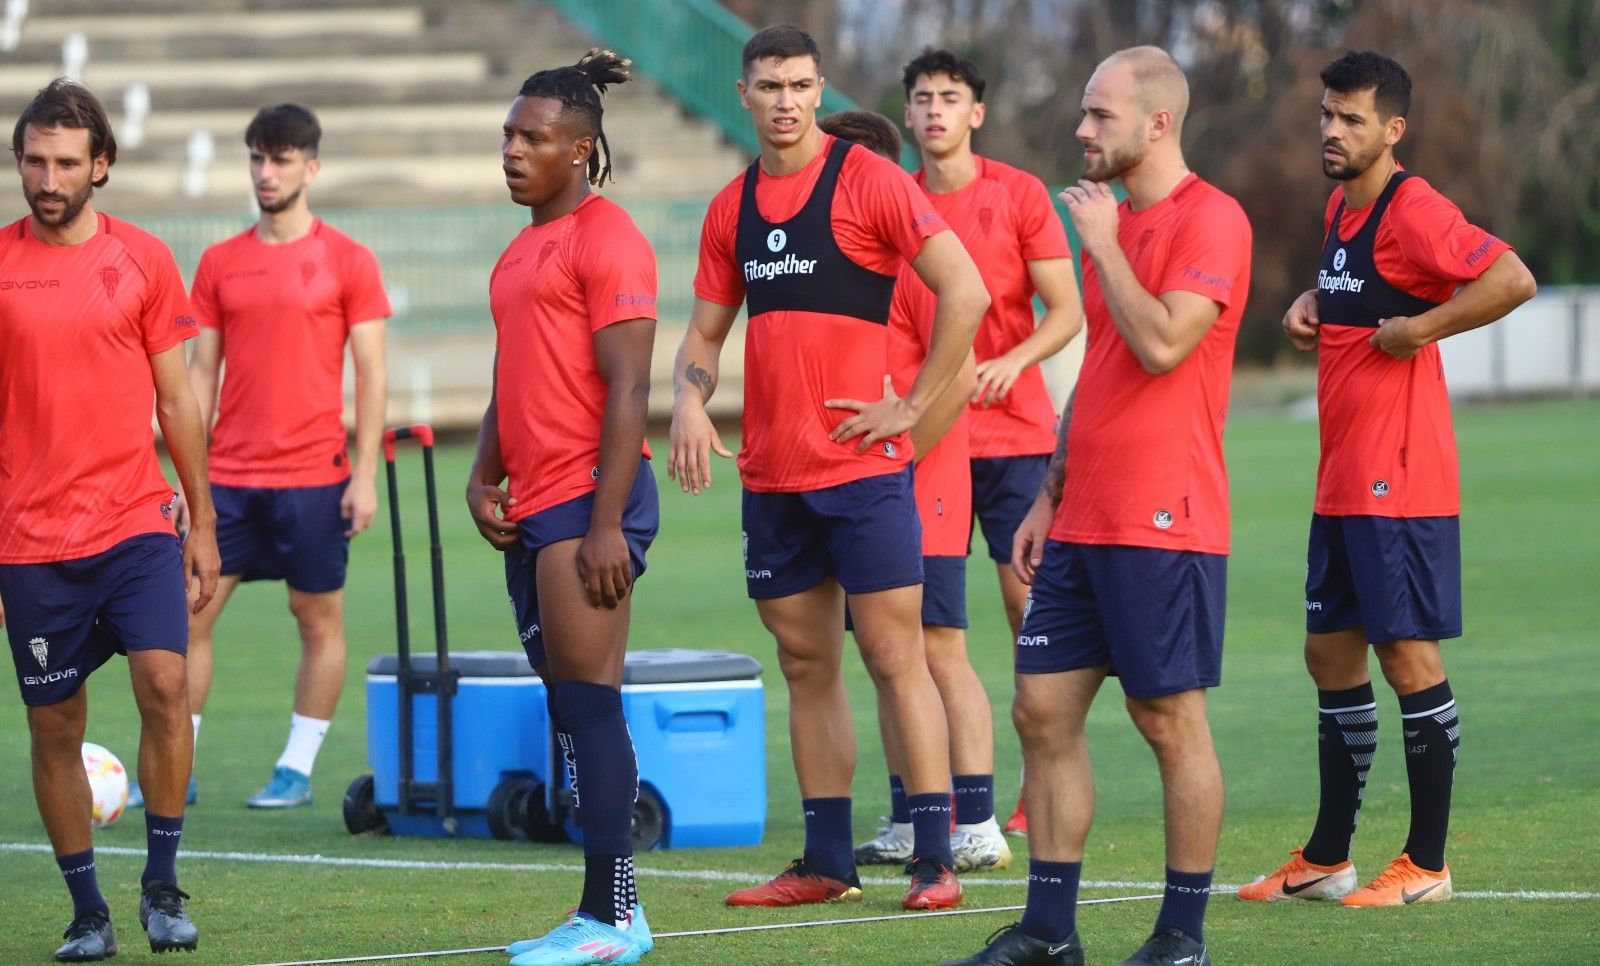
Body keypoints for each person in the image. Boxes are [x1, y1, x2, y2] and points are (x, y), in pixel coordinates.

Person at [670, 24, 989, 912]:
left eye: (801, 85)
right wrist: (690, 400)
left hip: (860, 475)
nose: (785, 100)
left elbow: (967, 292)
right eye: (768, 85)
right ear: (744, 94)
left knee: (897, 658)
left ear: (820, 91)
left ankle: (934, 862)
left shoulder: (871, 181)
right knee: (806, 666)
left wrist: (912, 407)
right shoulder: (729, 208)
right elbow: (702, 333)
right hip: (772, 478)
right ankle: (826, 862)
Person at [945, 47, 1251, 966]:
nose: (1082, 131)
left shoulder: (1213, 221)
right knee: (1041, 711)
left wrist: (1107, 246)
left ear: (1158, 124)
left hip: (1169, 520)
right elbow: (1106, 376)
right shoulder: (1111, 227)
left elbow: (1163, 344)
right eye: (1083, 113)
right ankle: (1048, 935)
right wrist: (1048, 492)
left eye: (1100, 116)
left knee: (1169, 723)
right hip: (1082, 519)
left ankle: (1180, 938)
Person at [1238, 51, 1535, 909]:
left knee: (1406, 655)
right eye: (1327, 114)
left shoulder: (1415, 208)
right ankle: (1329, 858)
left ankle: (1428, 864)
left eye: (1352, 119)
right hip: (1342, 478)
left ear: (1393, 129)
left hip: (1396, 480)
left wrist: (1427, 327)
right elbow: (1360, 294)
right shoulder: (1342, 206)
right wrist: (1312, 303)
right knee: (1329, 653)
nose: (1331, 131)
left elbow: (1511, 277)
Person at [0, 77, 220, 961]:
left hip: (134, 518)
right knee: (54, 725)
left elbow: (177, 402)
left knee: (166, 685)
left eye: (63, 163)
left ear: (101, 165)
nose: (46, 179)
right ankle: (87, 911)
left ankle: (162, 888)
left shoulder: (143, 261)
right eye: (32, 162)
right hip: (30, 539)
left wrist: (200, 520)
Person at [466, 50, 659, 966]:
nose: (511, 151)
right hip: (536, 499)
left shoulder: (608, 236)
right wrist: (480, 475)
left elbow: (629, 389)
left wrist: (608, 521)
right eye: (508, 135)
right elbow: (513, 379)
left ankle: (615, 919)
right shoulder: (517, 251)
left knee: (589, 705)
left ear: (579, 152)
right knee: (572, 706)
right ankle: (600, 912)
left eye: (531, 139)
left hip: (591, 498)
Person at [152, 103, 390, 812]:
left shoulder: (349, 260)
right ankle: (176, 764)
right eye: (257, 157)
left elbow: (372, 373)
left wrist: (366, 474)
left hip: (316, 479)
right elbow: (199, 375)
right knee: (185, 617)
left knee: (316, 619)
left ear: (310, 168)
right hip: (226, 478)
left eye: (281, 159)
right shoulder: (220, 261)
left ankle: (296, 765)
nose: (266, 172)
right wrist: (184, 474)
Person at [883, 46, 1086, 851]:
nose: (935, 110)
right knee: (923, 629)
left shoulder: (1019, 195)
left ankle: (1043, 784)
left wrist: (1012, 360)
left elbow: (1066, 310)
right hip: (931, 442)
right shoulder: (891, 199)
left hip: (1012, 440)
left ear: (978, 113)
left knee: (1026, 618)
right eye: (923, 97)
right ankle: (930, 807)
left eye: (951, 97)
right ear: (906, 114)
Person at [817, 110, 1003, 875]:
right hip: (862, 492)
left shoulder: (909, 258)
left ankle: (980, 821)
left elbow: (959, 376)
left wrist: (899, 461)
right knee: (888, 656)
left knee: (937, 650)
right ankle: (907, 816)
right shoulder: (847, 260)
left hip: (918, 487)